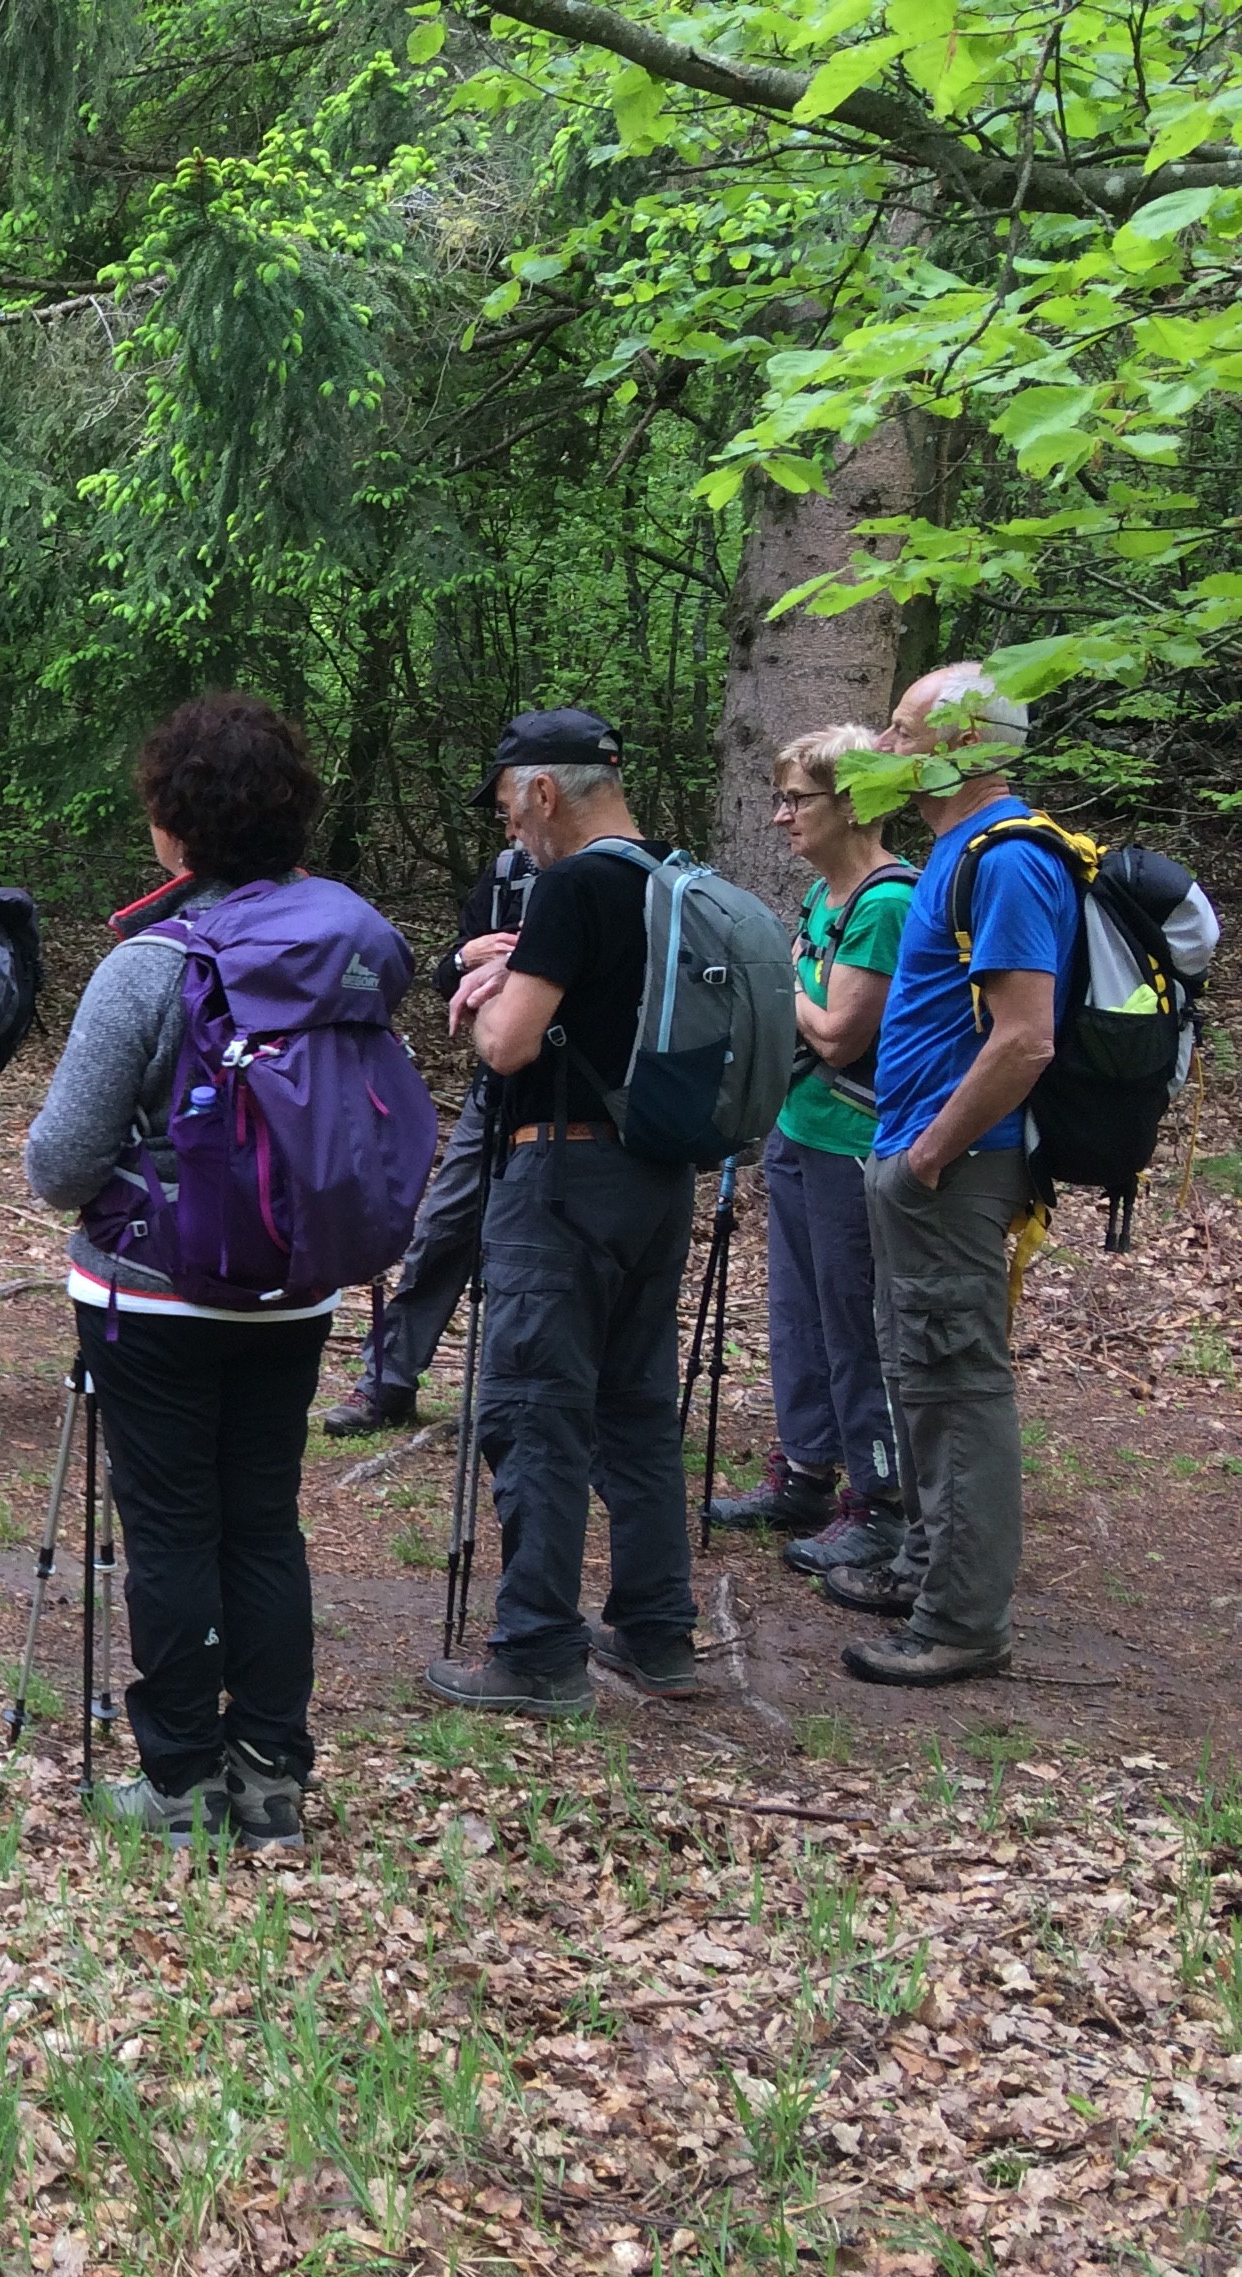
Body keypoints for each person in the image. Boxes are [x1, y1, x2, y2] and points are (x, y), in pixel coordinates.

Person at [24, 693, 374, 1849]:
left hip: (155, 1288)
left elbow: (62, 1162)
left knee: (171, 1528)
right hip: (298, 1282)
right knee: (263, 1521)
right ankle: (271, 1777)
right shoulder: (347, 947)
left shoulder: (149, 964)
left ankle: (179, 1782)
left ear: (175, 825)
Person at [426, 708, 700, 1718]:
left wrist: (493, 988)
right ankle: (658, 1630)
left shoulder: (574, 882)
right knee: (635, 1406)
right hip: (654, 1176)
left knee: (536, 1407)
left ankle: (538, 1647)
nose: (512, 832)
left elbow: (505, 1046)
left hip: (560, 1179)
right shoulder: (668, 876)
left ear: (544, 791)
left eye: (510, 807)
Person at [828, 665, 1064, 1684]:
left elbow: (1026, 1039)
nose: (883, 742)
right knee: (918, 1373)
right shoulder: (954, 853)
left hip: (954, 1168)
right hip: (918, 1158)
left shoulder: (1007, 858)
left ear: (960, 742)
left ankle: (962, 1620)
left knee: (957, 1383)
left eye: (900, 726)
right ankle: (926, 1568)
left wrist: (928, 1154)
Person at [705, 724, 913, 1578]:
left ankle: (879, 1502)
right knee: (795, 1311)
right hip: (799, 1130)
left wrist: (778, 981)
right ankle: (804, 1470)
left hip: (856, 1143)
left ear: (854, 801)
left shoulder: (887, 902)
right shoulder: (823, 898)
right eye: (781, 798)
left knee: (854, 1321)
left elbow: (835, 1033)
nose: (782, 816)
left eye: (799, 799)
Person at [321, 837, 535, 1435]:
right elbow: (446, 978)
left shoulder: (609, 874)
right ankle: (385, 1383)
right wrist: (467, 958)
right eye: (503, 818)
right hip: (493, 1090)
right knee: (442, 1228)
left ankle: (516, 1399)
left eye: (514, 809)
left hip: (579, 1110)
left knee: (531, 1250)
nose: (512, 830)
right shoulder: (506, 873)